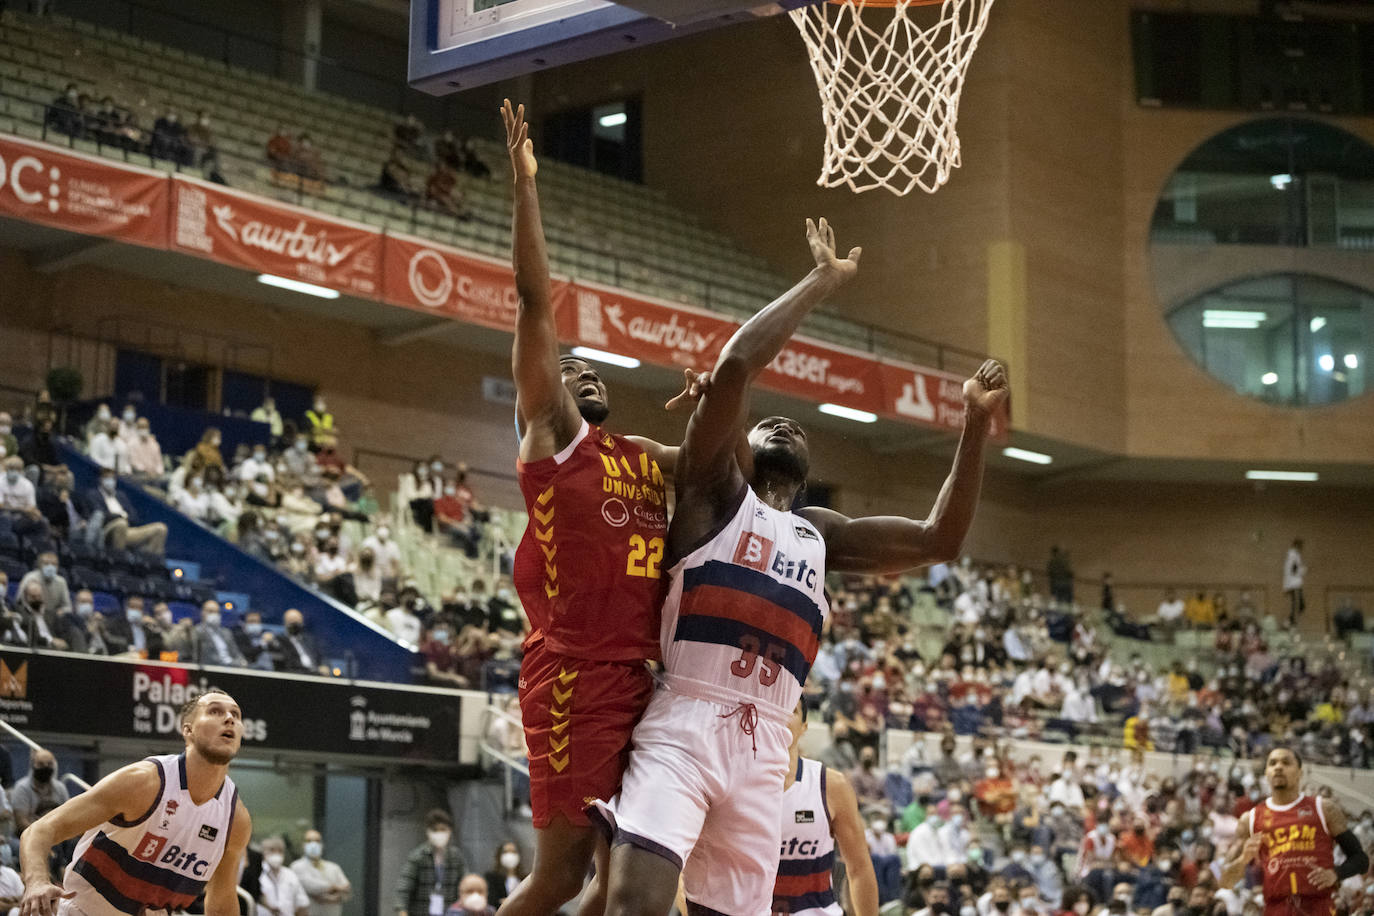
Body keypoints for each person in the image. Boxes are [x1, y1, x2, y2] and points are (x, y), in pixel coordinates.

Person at [595, 216, 1006, 915]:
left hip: (765, 748)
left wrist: (972, 425)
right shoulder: (713, 490)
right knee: (634, 903)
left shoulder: (820, 535)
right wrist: (819, 281)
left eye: (798, 430)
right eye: (767, 425)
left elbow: (939, 538)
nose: (785, 427)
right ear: (739, 447)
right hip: (688, 716)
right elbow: (734, 369)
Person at [496, 100, 712, 916]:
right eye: (568, 370)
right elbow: (532, 304)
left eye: (595, 372)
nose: (582, 375)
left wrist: (713, 399)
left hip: (641, 682)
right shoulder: (555, 441)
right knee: (559, 878)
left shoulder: (643, 461)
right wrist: (525, 188)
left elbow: (711, 463)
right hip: (573, 678)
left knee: (626, 882)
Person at [17, 690, 250, 916]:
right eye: (215, 711)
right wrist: (36, 882)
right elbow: (41, 829)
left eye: (235, 715)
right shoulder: (144, 782)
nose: (229, 719)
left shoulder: (235, 819)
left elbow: (221, 903)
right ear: (188, 730)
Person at [1220, 747, 1366, 916]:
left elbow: (1361, 860)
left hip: (1318, 906)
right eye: (1272, 763)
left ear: (1300, 772)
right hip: (1277, 908)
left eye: (1286, 762)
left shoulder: (1324, 809)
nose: (1278, 767)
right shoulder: (1250, 819)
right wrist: (1242, 860)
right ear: (1266, 773)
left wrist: (1336, 873)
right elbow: (1225, 882)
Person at [771, 703, 878, 916]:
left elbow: (859, 868)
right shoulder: (734, 783)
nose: (782, 716)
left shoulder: (831, 785)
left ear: (804, 726)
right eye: (776, 707)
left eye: (792, 710)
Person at [394, 809, 466, 916]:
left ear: (449, 831)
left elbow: (466, 883)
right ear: (428, 832)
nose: (439, 834)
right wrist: (401, 910)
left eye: (443, 829)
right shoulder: (418, 856)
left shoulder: (456, 856)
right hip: (422, 911)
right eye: (435, 830)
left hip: (450, 911)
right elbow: (404, 887)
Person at [85, 467, 168, 556]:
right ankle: (119, 563)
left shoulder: (121, 496)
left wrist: (123, 518)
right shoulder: (93, 494)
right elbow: (100, 515)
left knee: (160, 528)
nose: (110, 481)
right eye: (107, 478)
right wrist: (120, 517)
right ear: (101, 480)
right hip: (107, 530)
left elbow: (134, 516)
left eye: (113, 479)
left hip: (127, 530)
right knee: (121, 523)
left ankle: (149, 563)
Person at [291, 829, 351, 916]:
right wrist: (335, 887)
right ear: (303, 845)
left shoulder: (334, 867)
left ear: (322, 845)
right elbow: (312, 886)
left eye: (317, 841)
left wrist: (332, 898)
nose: (313, 844)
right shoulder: (296, 866)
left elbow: (347, 889)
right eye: (309, 841)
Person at [12, 749, 69, 834]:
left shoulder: (60, 788)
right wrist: (43, 834)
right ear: (33, 766)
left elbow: (68, 814)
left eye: (49, 764)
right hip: (29, 834)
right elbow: (21, 822)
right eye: (41, 764)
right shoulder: (22, 787)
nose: (45, 767)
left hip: (57, 834)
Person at [258, 835, 310, 916]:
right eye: (272, 850)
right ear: (263, 851)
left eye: (280, 851)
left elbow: (302, 904)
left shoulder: (290, 875)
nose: (276, 854)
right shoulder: (257, 873)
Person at [484, 842, 525, 909]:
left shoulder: (525, 878)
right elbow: (492, 901)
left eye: (513, 852)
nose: (510, 855)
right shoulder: (492, 877)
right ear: (499, 855)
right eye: (506, 852)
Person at [1283, 539, 1305, 627]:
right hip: (1294, 584)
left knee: (1300, 606)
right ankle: (1291, 621)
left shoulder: (1295, 555)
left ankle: (1290, 621)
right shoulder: (1292, 555)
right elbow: (1292, 570)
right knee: (1298, 605)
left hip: (1295, 583)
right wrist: (1303, 570)